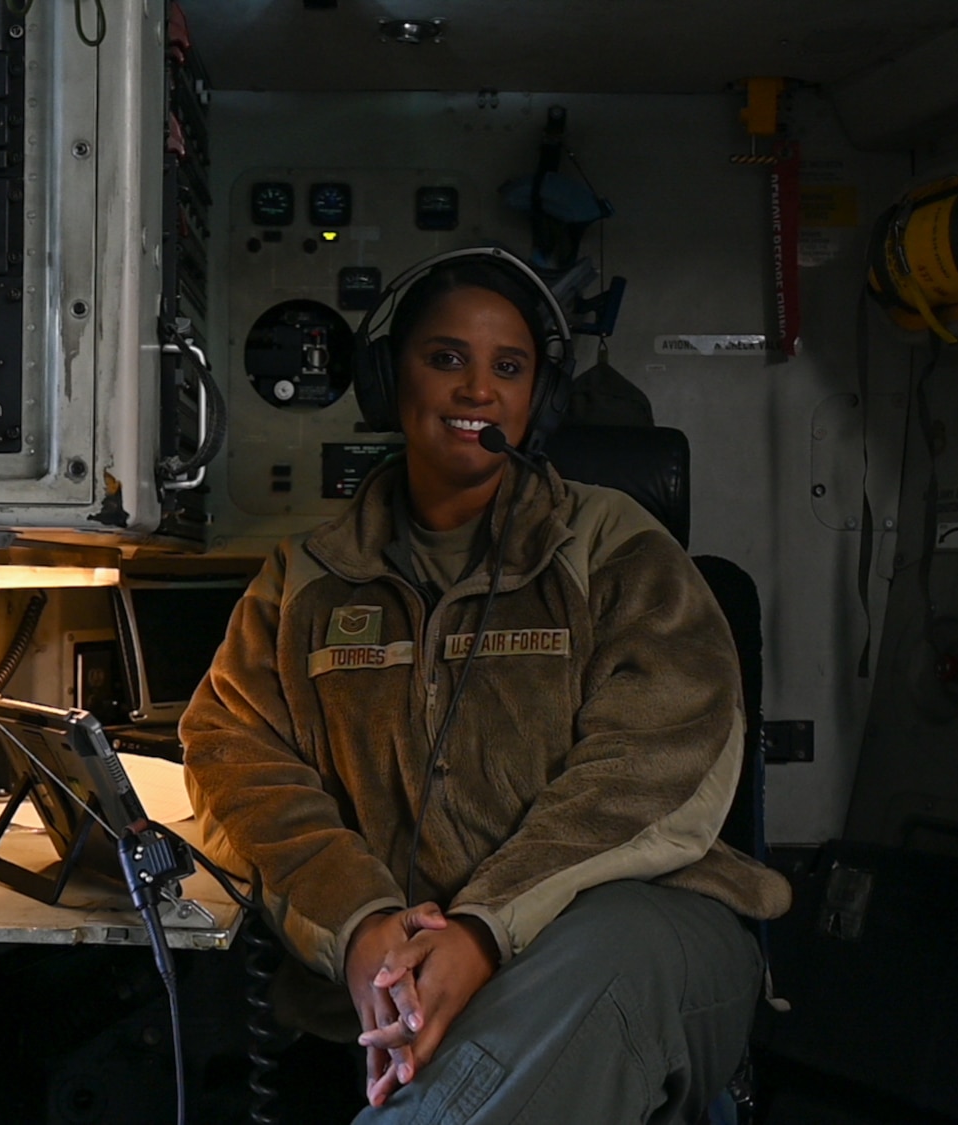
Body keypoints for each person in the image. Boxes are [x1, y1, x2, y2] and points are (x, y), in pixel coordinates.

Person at [181, 249, 791, 1123]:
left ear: (536, 400)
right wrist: (362, 931)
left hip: (648, 936)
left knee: (601, 953)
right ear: (391, 379)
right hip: (408, 975)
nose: (477, 390)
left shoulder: (614, 543)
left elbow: (656, 757)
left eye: (508, 368)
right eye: (446, 358)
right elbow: (236, 757)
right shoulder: (306, 579)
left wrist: (485, 929)